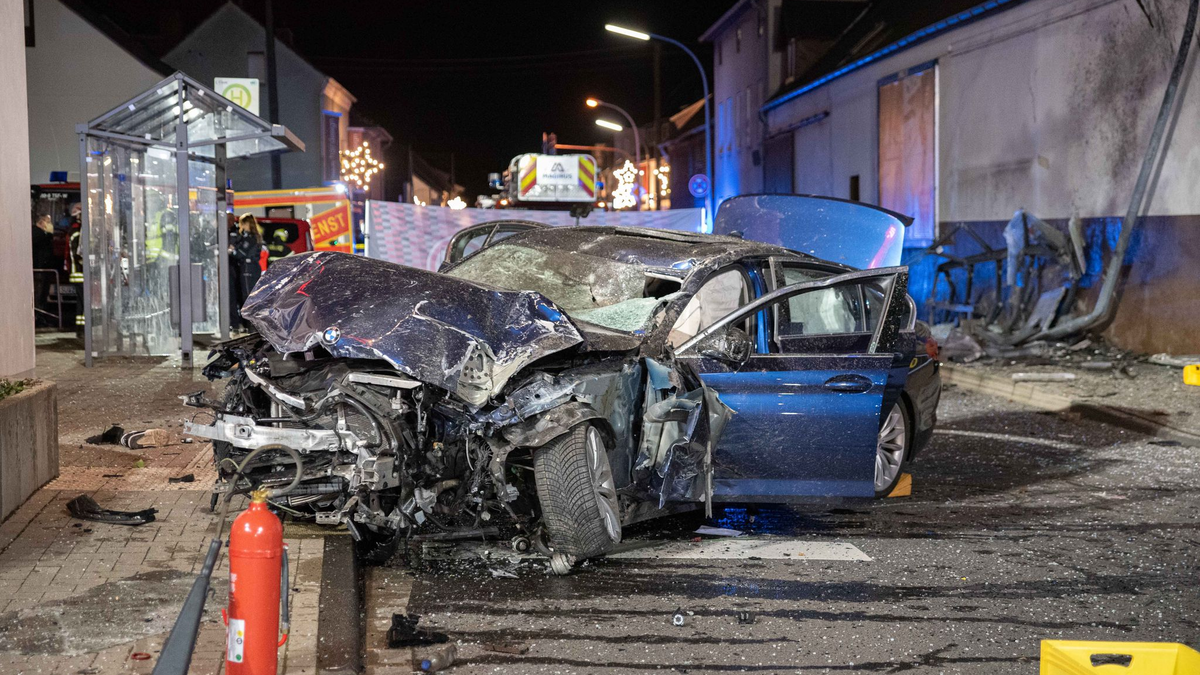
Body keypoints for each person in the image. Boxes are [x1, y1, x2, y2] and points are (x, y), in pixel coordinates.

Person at [229, 213, 266, 331]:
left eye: (241, 224)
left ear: (246, 224)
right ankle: (251, 326)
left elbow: (241, 253)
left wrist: (232, 251)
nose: (240, 226)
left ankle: (253, 327)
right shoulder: (252, 236)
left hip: (248, 269)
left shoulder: (249, 238)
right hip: (250, 268)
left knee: (248, 297)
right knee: (249, 296)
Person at [31, 215, 57, 326]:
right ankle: (38, 318)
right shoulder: (39, 234)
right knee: (39, 295)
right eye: (48, 222)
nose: (50, 224)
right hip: (40, 270)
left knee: (41, 294)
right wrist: (50, 235)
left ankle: (40, 317)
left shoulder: (38, 234)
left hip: (42, 269)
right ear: (41, 223)